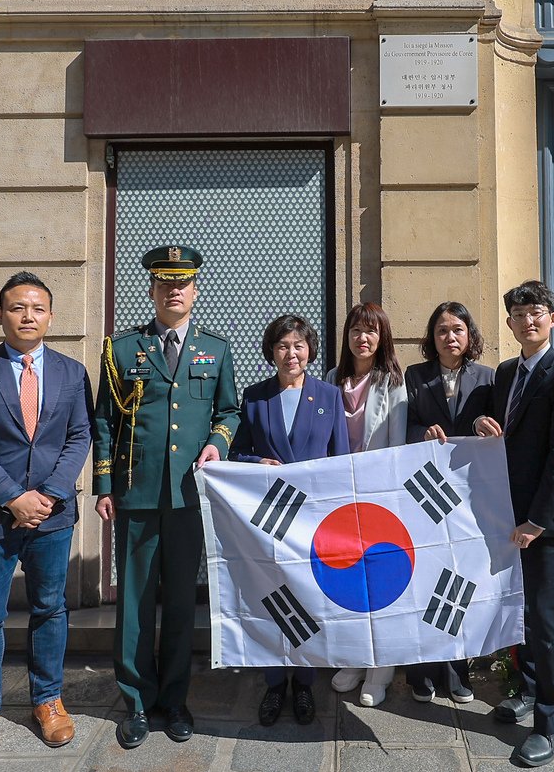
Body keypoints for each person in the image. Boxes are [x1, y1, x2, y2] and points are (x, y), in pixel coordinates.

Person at [0, 272, 94, 772]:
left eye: (37, 308)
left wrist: (48, 495)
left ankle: (47, 700)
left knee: (50, 608)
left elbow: (79, 437)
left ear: (51, 316)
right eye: (17, 307)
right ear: (0, 315)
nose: (27, 316)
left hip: (53, 516)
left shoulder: (73, 373)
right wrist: (13, 498)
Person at [93, 245, 239, 749]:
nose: (174, 290)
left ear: (195, 290)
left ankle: (174, 699)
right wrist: (105, 485)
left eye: (183, 283)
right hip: (135, 494)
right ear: (152, 290)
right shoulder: (122, 348)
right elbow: (104, 421)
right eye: (165, 283)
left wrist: (218, 445)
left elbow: (229, 412)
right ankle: (134, 702)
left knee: (180, 602)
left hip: (187, 497)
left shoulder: (215, 350)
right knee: (133, 603)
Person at [474, 280, 554, 768]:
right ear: (510, 324)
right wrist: (483, 422)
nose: (528, 321)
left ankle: (549, 719)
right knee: (516, 609)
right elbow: (504, 432)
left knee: (544, 619)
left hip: (545, 520)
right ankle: (525, 690)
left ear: (553, 319)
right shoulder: (504, 374)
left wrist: (537, 521)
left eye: (536, 312)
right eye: (519, 315)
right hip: (505, 512)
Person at [230, 314, 350, 726]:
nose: (291, 353)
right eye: (283, 346)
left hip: (315, 520)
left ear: (310, 350)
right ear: (271, 352)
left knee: (310, 599)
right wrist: (255, 461)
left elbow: (341, 460)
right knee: (274, 598)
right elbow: (236, 453)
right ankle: (274, 682)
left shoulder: (329, 396)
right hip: (270, 517)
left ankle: (304, 683)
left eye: (298, 345)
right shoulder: (255, 397)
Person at [402, 300, 495, 704]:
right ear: (431, 337)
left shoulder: (490, 377)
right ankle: (421, 670)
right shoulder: (414, 376)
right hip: (425, 493)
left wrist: (480, 424)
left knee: (460, 579)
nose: (450, 336)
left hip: (470, 496)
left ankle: (458, 670)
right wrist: (422, 431)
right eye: (442, 330)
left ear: (469, 335)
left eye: (457, 329)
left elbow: (498, 423)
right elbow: (401, 426)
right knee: (424, 578)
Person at [324, 302, 406, 708]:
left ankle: (380, 670)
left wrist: (385, 494)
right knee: (349, 584)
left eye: (371, 331)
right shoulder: (329, 380)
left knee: (381, 585)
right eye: (357, 329)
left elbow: (397, 446)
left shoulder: (392, 382)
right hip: (340, 499)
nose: (363, 337)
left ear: (382, 337)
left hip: (378, 499)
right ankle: (355, 659)